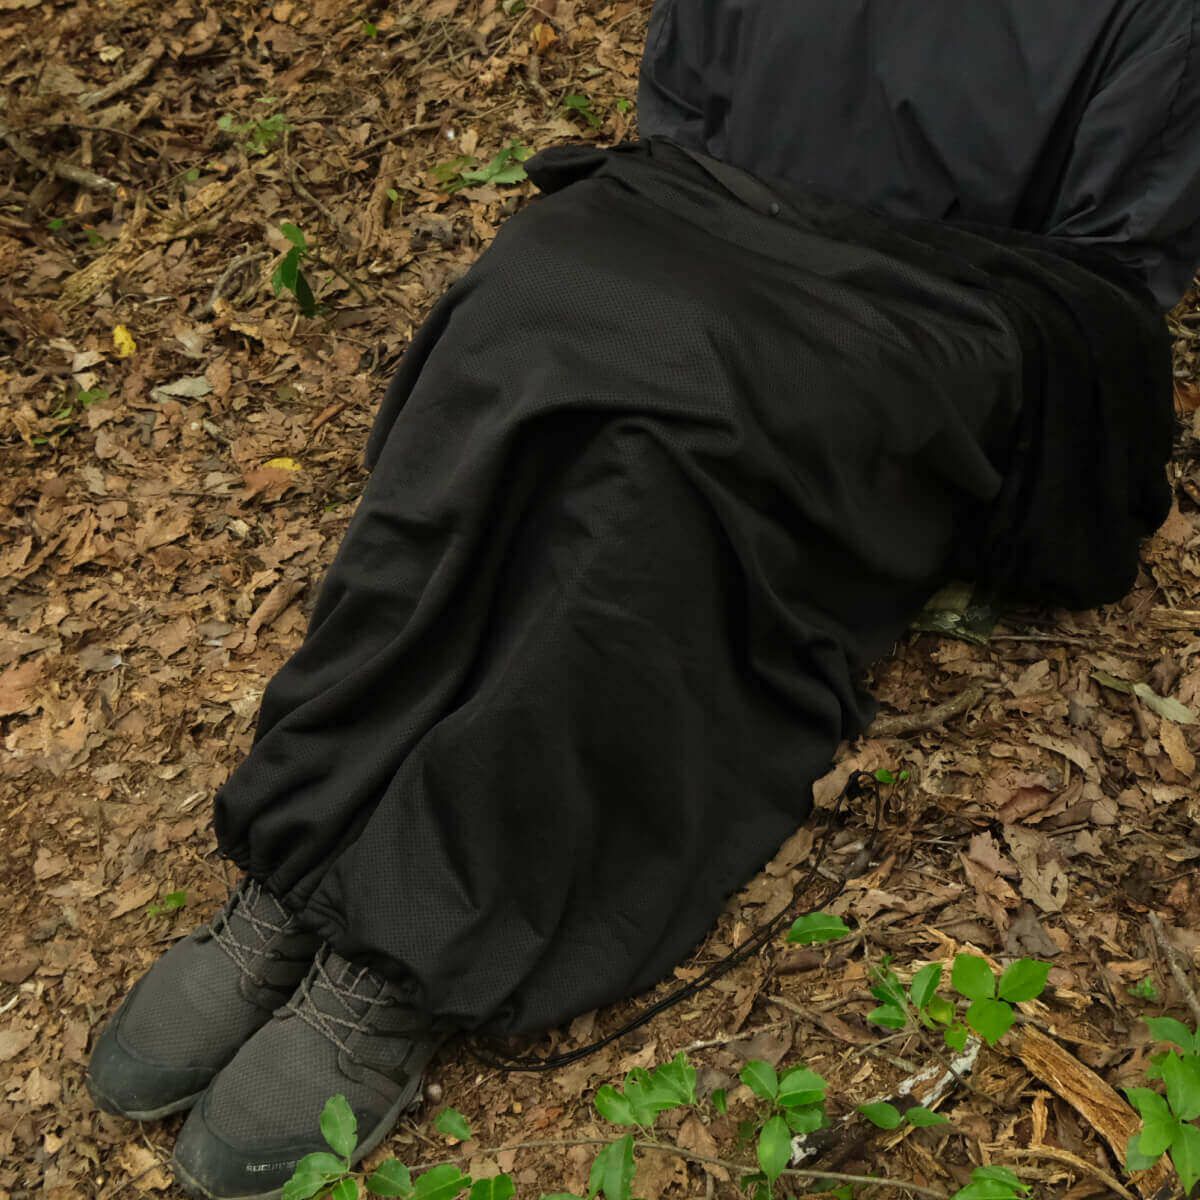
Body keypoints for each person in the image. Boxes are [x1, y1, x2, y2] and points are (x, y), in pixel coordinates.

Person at [87, 3, 1200, 1197]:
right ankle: (300, 844)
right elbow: (681, 112)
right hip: (706, 217)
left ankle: (407, 946)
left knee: (658, 464)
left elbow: (1111, 270)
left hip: (932, 298)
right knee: (523, 305)